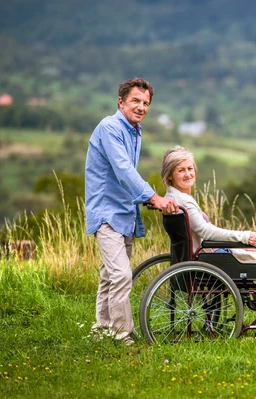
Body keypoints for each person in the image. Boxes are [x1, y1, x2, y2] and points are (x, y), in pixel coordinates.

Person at [161, 146, 256, 338]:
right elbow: (206, 231)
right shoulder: (183, 201)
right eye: (181, 170)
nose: (188, 174)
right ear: (170, 175)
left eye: (190, 168)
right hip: (208, 258)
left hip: (200, 255)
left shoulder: (173, 197)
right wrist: (244, 236)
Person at [85, 77, 178, 346]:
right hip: (106, 213)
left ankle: (102, 330)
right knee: (121, 275)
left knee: (109, 275)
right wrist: (153, 196)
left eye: (146, 103)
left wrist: (145, 199)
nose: (141, 107)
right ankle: (121, 335)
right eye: (135, 101)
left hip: (124, 212)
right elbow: (123, 170)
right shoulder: (110, 127)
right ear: (121, 102)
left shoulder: (134, 131)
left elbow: (128, 175)